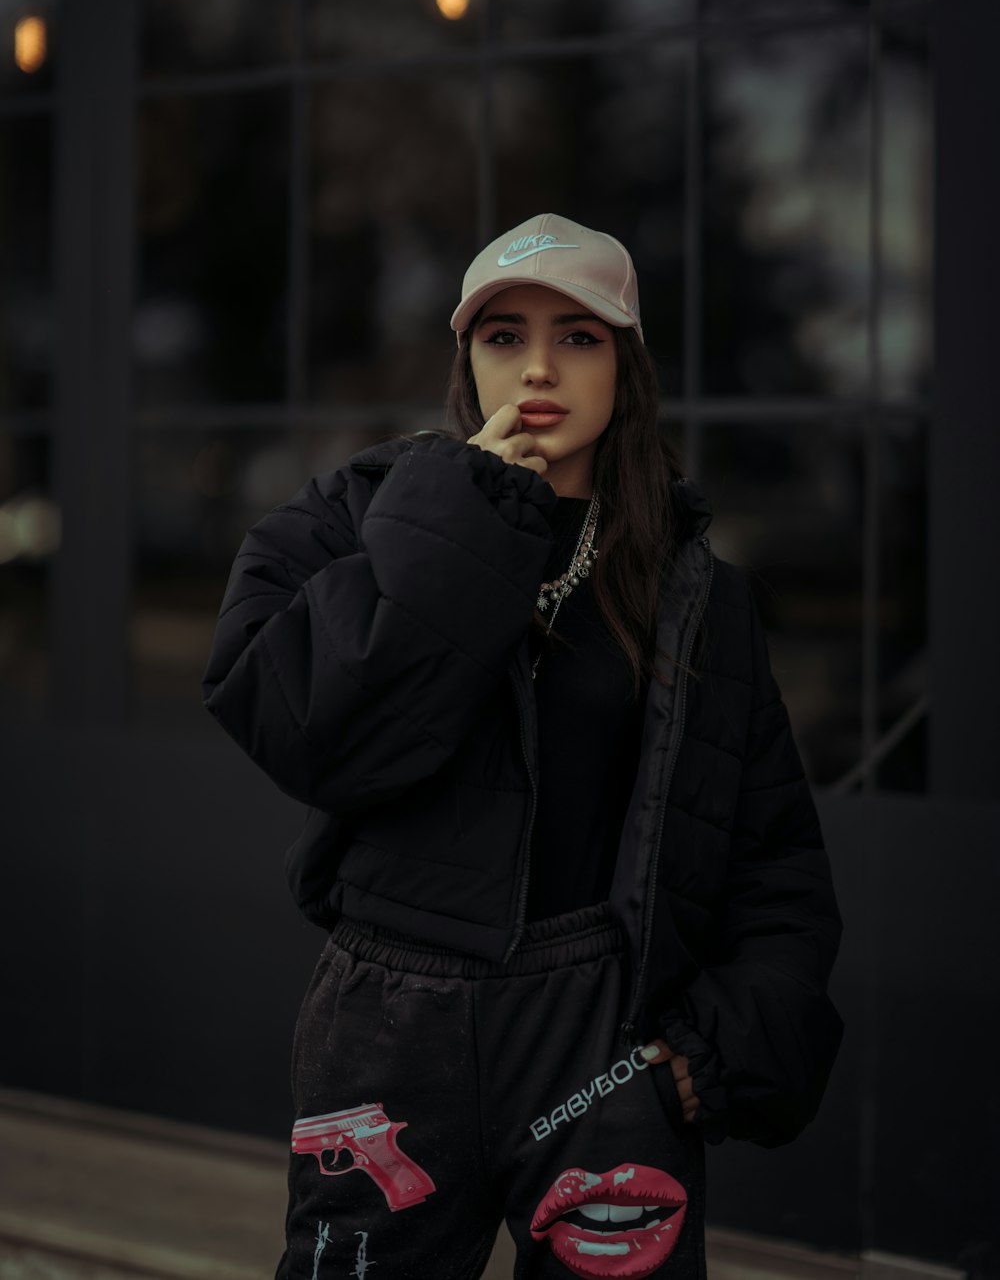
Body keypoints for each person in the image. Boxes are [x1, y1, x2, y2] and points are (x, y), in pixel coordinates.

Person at [202, 212, 845, 1280]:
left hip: (600, 1032)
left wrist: (707, 1051)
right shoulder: (356, 518)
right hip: (388, 1018)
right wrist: (461, 524)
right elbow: (298, 723)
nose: (538, 366)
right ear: (466, 359)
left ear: (625, 367)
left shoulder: (693, 595)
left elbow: (772, 851)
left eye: (579, 336)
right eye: (503, 336)